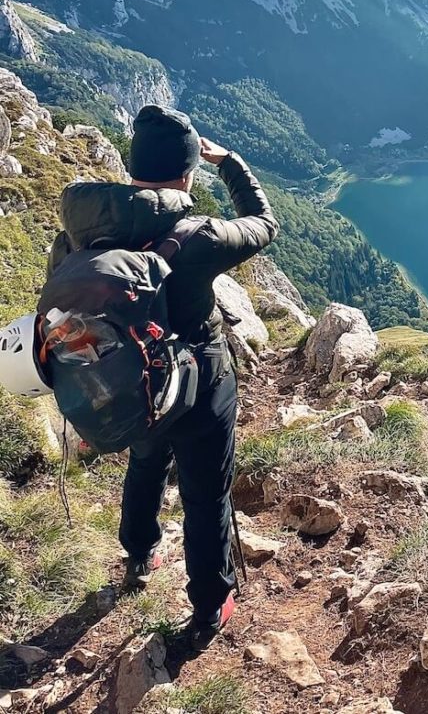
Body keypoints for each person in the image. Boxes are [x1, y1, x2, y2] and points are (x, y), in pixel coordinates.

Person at [47, 105, 278, 649]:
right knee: (205, 492)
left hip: (127, 384)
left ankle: (138, 552)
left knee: (146, 461)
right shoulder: (198, 235)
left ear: (132, 170)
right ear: (186, 171)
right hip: (200, 383)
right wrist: (232, 163)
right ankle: (210, 602)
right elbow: (266, 223)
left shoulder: (78, 235)